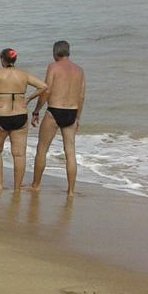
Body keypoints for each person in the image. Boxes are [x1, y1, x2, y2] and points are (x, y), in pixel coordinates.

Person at [0, 48, 47, 192]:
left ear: (2, 60)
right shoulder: (23, 74)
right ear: (14, 60)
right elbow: (43, 86)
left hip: (0, 116)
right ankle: (17, 188)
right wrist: (28, 98)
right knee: (19, 154)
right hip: (20, 116)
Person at [31, 41, 86, 196]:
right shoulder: (79, 70)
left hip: (55, 110)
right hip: (71, 112)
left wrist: (36, 111)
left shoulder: (53, 67)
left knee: (42, 149)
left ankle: (36, 185)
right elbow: (81, 96)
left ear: (55, 53)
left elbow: (46, 91)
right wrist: (78, 118)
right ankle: (71, 191)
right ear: (68, 52)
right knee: (70, 152)